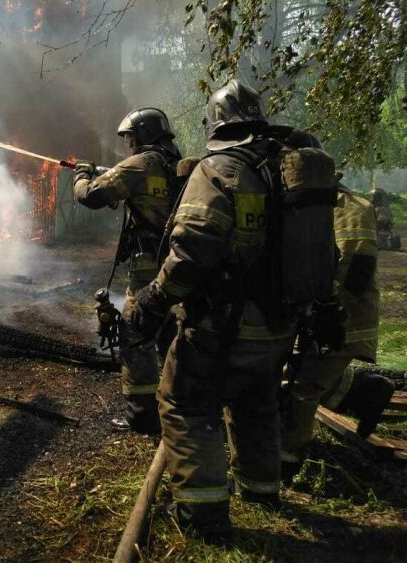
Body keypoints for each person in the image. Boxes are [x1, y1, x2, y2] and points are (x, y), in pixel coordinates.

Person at [127, 80, 342, 540]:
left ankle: (203, 514)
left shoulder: (220, 169)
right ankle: (261, 490)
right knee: (256, 403)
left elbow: (191, 252)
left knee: (185, 403)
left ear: (215, 124)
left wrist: (154, 300)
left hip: (223, 327)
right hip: (281, 326)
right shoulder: (286, 167)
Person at [280, 130, 394, 476]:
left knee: (303, 387)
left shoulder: (352, 208)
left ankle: (288, 462)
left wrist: (324, 311)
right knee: (297, 374)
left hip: (344, 318)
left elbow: (356, 271)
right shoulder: (296, 204)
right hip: (313, 315)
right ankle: (367, 392)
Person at [73, 107, 182, 435]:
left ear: (143, 136)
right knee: (169, 331)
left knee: (134, 331)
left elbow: (91, 195)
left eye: (131, 138)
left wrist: (81, 174)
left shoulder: (139, 165)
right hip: (177, 265)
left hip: (148, 266)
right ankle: (178, 403)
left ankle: (142, 416)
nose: (129, 145)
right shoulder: (175, 165)